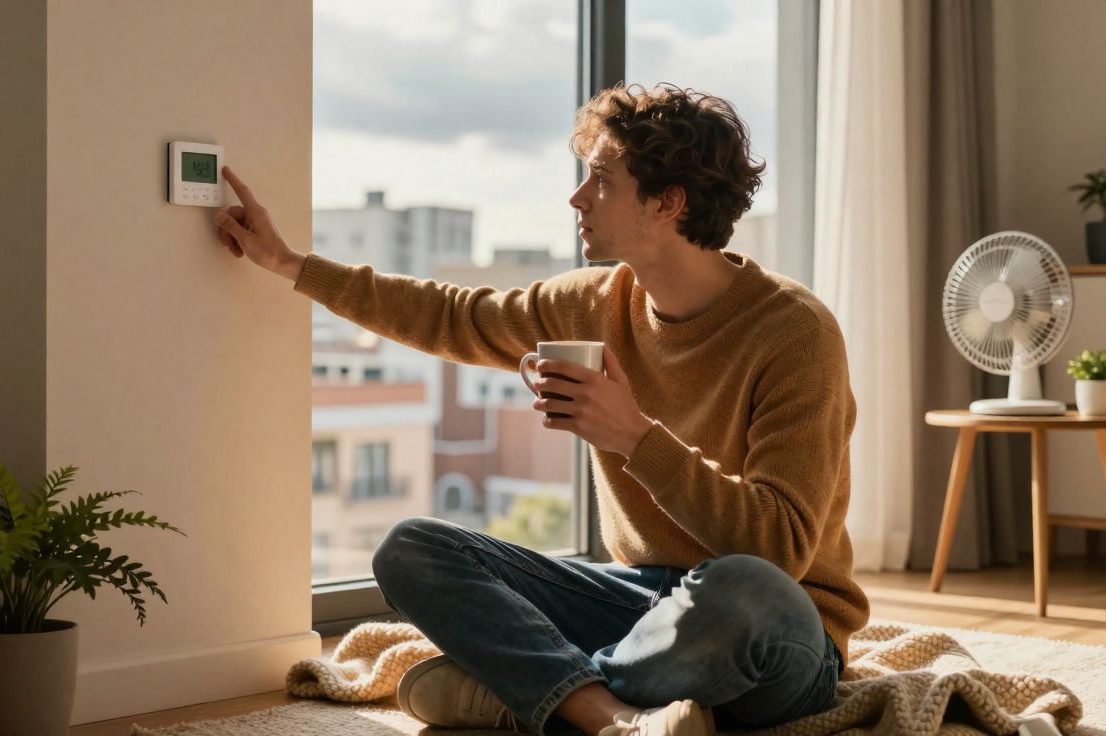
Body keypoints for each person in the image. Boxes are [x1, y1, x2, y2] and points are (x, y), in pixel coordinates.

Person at [213, 83, 868, 736]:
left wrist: (636, 436)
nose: (577, 198)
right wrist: (290, 263)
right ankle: (604, 714)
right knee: (412, 549)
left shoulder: (794, 332)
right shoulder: (591, 302)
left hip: (777, 632)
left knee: (740, 590)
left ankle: (528, 695)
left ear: (668, 202)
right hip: (638, 603)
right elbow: (449, 314)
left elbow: (779, 549)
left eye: (601, 181)